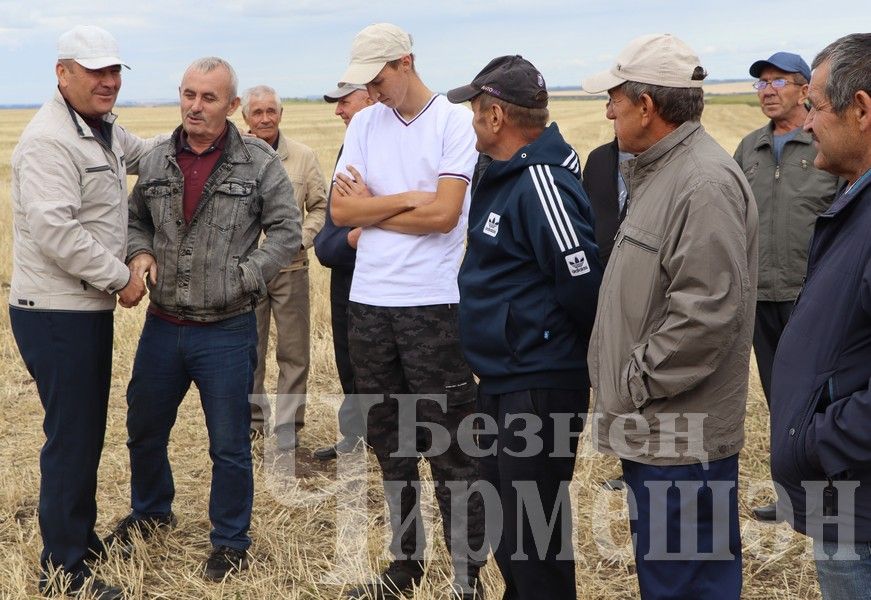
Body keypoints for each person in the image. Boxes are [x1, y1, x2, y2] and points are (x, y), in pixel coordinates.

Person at [105, 57, 301, 581]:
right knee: (144, 428)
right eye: (188, 94)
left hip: (228, 329)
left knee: (230, 444)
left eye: (208, 97)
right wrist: (139, 253)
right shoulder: (156, 159)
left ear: (232, 106)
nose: (195, 106)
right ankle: (151, 512)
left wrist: (247, 275)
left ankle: (231, 540)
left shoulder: (257, 161)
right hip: (163, 325)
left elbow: (287, 229)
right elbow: (135, 218)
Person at [583, 33, 758, 599]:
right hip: (659, 428)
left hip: (680, 435)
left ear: (646, 106)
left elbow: (705, 315)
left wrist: (634, 381)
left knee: (686, 582)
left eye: (613, 97)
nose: (606, 109)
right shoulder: (664, 172)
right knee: (672, 578)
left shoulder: (702, 183)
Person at [330, 23, 485, 599]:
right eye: (365, 80)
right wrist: (402, 199)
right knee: (389, 445)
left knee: (450, 448)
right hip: (368, 305)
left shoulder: (452, 122)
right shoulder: (366, 122)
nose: (372, 89)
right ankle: (404, 566)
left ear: (406, 61)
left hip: (433, 306)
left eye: (379, 77)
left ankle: (467, 577)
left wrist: (371, 209)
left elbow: (445, 215)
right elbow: (340, 213)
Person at [9, 25, 161, 599]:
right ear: (62, 73)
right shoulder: (51, 141)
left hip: (77, 309)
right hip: (55, 311)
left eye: (114, 70)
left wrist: (204, 134)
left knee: (83, 431)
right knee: (71, 437)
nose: (109, 81)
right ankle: (64, 570)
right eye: (95, 71)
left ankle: (76, 536)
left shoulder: (101, 129)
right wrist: (120, 276)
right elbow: (56, 231)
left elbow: (146, 154)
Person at [447, 55, 603, 600]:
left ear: (495, 116)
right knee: (512, 531)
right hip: (507, 377)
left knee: (532, 536)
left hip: (537, 383)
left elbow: (581, 278)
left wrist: (549, 347)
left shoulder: (541, 181)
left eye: (474, 110)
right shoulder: (508, 175)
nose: (470, 121)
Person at [769, 33, 871, 600]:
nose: (807, 125)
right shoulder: (857, 197)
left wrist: (817, 441)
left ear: (861, 110)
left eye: (817, 108)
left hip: (857, 502)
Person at [734, 52, 841, 523]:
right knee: (780, 398)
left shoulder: (826, 145)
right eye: (761, 84)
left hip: (812, 297)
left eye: (778, 81)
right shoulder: (749, 149)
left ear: (804, 89)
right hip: (760, 295)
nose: (768, 91)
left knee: (824, 399)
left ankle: (836, 493)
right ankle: (791, 498)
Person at [241, 84, 327, 450]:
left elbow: (321, 208)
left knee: (294, 352)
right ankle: (251, 422)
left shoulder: (304, 157)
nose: (264, 118)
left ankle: (289, 429)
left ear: (280, 114)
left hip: (291, 268)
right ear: (245, 117)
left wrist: (299, 240)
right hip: (246, 271)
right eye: (256, 112)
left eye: (270, 111)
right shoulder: (232, 157)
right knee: (249, 350)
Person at [312, 83, 373, 461]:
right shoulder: (350, 147)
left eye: (344, 102)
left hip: (379, 277)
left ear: (371, 98)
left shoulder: (394, 147)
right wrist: (343, 240)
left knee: (384, 362)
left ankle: (393, 439)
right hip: (346, 273)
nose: (338, 111)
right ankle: (355, 436)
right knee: (348, 358)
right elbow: (336, 227)